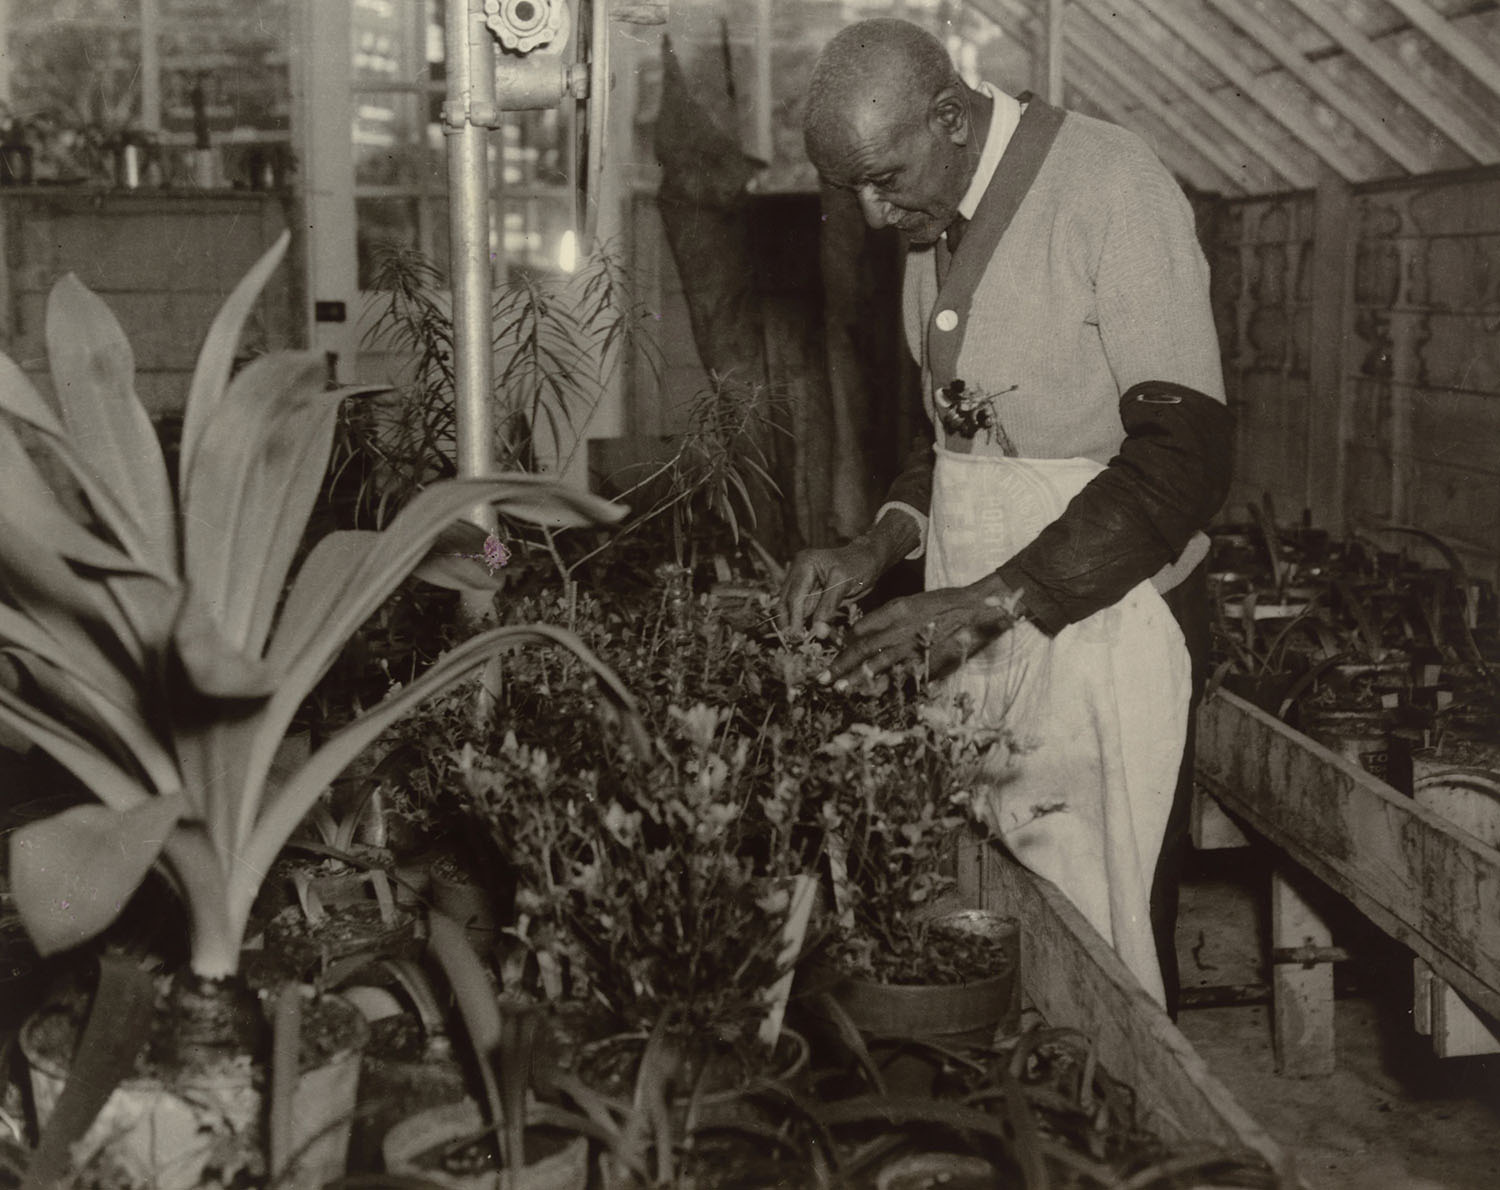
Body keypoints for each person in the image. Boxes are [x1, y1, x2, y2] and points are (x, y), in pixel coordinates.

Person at [778, 18, 1233, 1013]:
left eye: (883, 177)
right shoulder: (931, 213)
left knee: (1100, 921)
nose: (868, 207)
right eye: (850, 186)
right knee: (997, 903)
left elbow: (1186, 458)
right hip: (992, 623)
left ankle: (1124, 1134)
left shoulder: (1113, 185)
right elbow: (960, 441)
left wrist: (993, 598)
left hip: (1110, 625)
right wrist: (878, 544)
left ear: (949, 115)